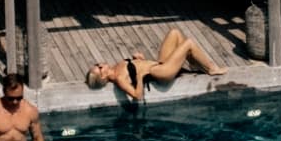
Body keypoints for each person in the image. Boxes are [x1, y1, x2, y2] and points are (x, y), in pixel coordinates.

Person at [86, 27, 226, 101]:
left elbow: (138, 68)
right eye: (99, 67)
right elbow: (137, 96)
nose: (100, 64)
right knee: (189, 43)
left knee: (175, 33)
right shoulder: (119, 78)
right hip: (160, 72)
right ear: (103, 76)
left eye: (97, 64)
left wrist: (139, 60)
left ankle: (195, 63)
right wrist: (140, 77)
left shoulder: (117, 67)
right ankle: (211, 69)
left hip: (158, 65)